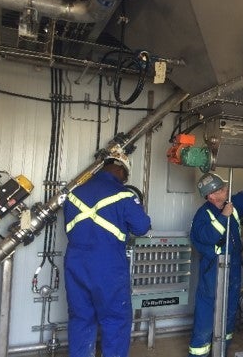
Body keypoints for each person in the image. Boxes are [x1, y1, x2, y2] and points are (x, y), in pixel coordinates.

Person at [63, 151, 151, 357]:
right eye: (125, 177)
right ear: (120, 170)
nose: (124, 181)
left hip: (75, 263)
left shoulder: (73, 194)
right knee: (115, 320)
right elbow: (142, 227)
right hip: (107, 266)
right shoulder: (124, 195)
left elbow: (69, 227)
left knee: (80, 318)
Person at [188, 169, 243, 357]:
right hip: (214, 270)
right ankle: (198, 353)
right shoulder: (203, 214)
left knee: (228, 312)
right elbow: (207, 237)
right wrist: (224, 216)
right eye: (222, 188)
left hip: (232, 268)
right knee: (207, 316)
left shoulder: (231, 205)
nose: (226, 189)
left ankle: (221, 351)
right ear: (211, 195)